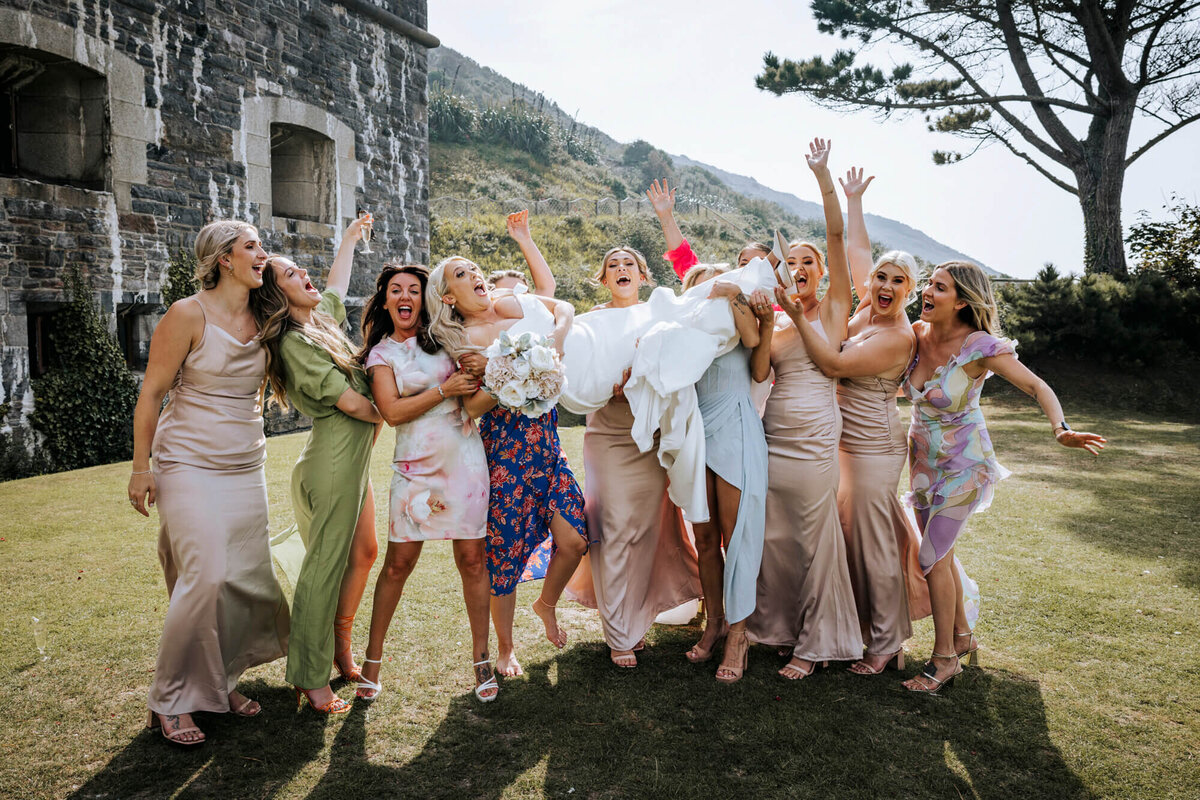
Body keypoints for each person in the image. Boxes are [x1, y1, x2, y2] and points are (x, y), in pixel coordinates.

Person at [900, 260, 1106, 694]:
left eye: (939, 288)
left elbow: (1036, 386)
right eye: (928, 285)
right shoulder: (915, 335)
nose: (927, 293)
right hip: (921, 462)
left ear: (962, 301)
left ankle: (944, 661)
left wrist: (1060, 429)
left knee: (931, 558)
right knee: (943, 555)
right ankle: (963, 636)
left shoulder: (980, 346)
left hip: (964, 465)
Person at [129, 219, 288, 746]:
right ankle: (170, 698)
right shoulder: (186, 314)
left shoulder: (268, 314)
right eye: (251, 247)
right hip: (187, 462)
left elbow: (322, 302)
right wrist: (140, 467)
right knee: (207, 576)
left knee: (242, 579)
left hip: (246, 463)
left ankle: (218, 686)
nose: (262, 255)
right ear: (224, 258)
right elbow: (151, 393)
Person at [785, 166, 930, 675]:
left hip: (873, 446)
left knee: (872, 544)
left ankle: (888, 642)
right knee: (851, 538)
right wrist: (851, 199)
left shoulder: (899, 336)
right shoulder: (867, 306)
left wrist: (799, 318)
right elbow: (856, 251)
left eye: (899, 281)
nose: (886, 285)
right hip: (840, 442)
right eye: (883, 278)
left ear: (911, 290)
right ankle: (860, 625)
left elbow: (834, 365)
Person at [427, 255, 588, 677]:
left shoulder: (514, 302)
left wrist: (555, 340)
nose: (475, 275)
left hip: (548, 444)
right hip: (504, 456)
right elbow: (472, 408)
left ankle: (546, 604)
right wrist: (509, 375)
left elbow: (564, 307)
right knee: (505, 557)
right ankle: (504, 648)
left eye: (474, 269)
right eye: (461, 274)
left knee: (574, 540)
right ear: (447, 296)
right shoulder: (460, 341)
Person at [251, 215, 382, 714]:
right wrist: (406, 406)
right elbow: (351, 403)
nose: (302, 275)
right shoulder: (292, 341)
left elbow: (333, 284)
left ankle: (340, 649)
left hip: (353, 461)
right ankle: (310, 675)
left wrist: (349, 238)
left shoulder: (319, 323)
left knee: (364, 552)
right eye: (289, 275)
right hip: (331, 463)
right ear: (276, 296)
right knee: (324, 567)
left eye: (299, 269)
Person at [745, 138, 865, 679]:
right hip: (775, 434)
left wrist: (823, 177)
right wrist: (771, 322)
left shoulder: (837, 309)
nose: (798, 268)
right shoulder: (782, 318)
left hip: (817, 434)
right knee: (776, 535)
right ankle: (779, 626)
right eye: (789, 262)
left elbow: (836, 235)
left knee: (816, 536)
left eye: (807, 261)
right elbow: (761, 374)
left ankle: (817, 644)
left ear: (821, 270)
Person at [354, 263, 498, 703]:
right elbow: (391, 412)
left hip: (464, 463)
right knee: (397, 565)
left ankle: (481, 659)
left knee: (473, 561)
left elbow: (472, 403)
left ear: (425, 298)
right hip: (413, 470)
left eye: (413, 290)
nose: (405, 297)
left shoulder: (448, 341)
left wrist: (503, 376)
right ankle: (372, 662)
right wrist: (444, 390)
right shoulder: (380, 355)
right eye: (395, 290)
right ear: (385, 301)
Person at [559, 241, 702, 668]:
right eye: (612, 265)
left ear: (643, 276)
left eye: (629, 264)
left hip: (655, 436)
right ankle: (619, 632)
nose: (621, 269)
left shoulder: (661, 315)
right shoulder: (588, 324)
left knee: (649, 530)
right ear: (603, 279)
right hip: (609, 434)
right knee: (615, 528)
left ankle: (635, 618)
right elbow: (578, 380)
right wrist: (608, 386)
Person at [648, 193, 770, 682]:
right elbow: (686, 267)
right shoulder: (693, 311)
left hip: (736, 425)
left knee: (736, 534)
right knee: (704, 535)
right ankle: (714, 621)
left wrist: (738, 301)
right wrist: (666, 219)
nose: (744, 270)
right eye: (740, 263)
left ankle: (739, 635)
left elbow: (758, 358)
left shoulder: (752, 315)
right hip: (694, 427)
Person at [487, 210, 557, 295]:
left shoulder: (534, 307)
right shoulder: (490, 307)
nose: (517, 298)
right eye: (507, 294)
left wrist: (525, 240)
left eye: (521, 292)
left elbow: (547, 287)